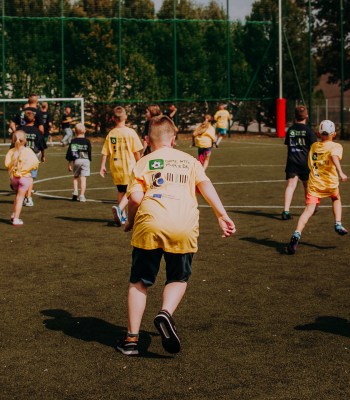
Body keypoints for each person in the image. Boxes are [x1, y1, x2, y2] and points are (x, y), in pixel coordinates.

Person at [116, 115, 236, 356]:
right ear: (174, 139)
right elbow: (206, 186)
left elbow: (136, 198)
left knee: (139, 281)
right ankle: (165, 313)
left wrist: (129, 221)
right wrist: (221, 215)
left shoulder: (143, 162)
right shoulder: (190, 161)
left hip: (150, 223)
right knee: (178, 278)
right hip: (183, 224)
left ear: (147, 140)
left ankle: (131, 340)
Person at [287, 120, 348, 255]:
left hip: (314, 184)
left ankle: (296, 234)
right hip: (330, 183)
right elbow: (334, 157)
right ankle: (338, 223)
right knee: (336, 198)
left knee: (308, 211)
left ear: (318, 133)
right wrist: (340, 172)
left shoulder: (314, 146)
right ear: (334, 134)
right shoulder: (336, 146)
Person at [100, 106, 143, 226]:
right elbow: (136, 152)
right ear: (126, 117)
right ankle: (120, 209)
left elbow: (105, 152)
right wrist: (140, 163)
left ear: (113, 118)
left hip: (116, 167)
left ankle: (122, 215)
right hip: (129, 167)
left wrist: (102, 166)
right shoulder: (130, 132)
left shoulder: (111, 133)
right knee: (131, 191)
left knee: (121, 191)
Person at [282, 105, 317, 220]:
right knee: (307, 186)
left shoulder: (291, 130)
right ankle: (310, 207)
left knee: (291, 185)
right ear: (306, 116)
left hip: (292, 161)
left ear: (295, 116)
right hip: (305, 162)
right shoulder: (309, 131)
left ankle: (286, 211)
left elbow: (288, 144)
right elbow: (314, 148)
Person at [5, 130, 39, 226]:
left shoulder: (11, 151)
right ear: (25, 140)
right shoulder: (28, 151)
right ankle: (16, 218)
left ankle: (14, 214)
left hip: (14, 178)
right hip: (24, 178)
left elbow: (7, 164)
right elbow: (35, 163)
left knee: (17, 197)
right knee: (20, 199)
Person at [19, 110, 46, 207]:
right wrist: (43, 155)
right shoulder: (37, 131)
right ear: (34, 119)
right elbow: (42, 145)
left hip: (22, 155)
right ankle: (28, 198)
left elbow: (15, 144)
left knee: (22, 176)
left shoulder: (20, 130)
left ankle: (22, 195)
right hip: (33, 156)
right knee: (30, 177)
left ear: (24, 120)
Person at [66, 123, 92, 202]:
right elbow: (89, 151)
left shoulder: (73, 141)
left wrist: (69, 163)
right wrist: (89, 160)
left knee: (75, 177)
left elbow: (71, 152)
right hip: (85, 159)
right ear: (84, 131)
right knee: (83, 178)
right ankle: (82, 195)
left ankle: (75, 191)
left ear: (75, 131)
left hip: (77, 160)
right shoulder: (87, 141)